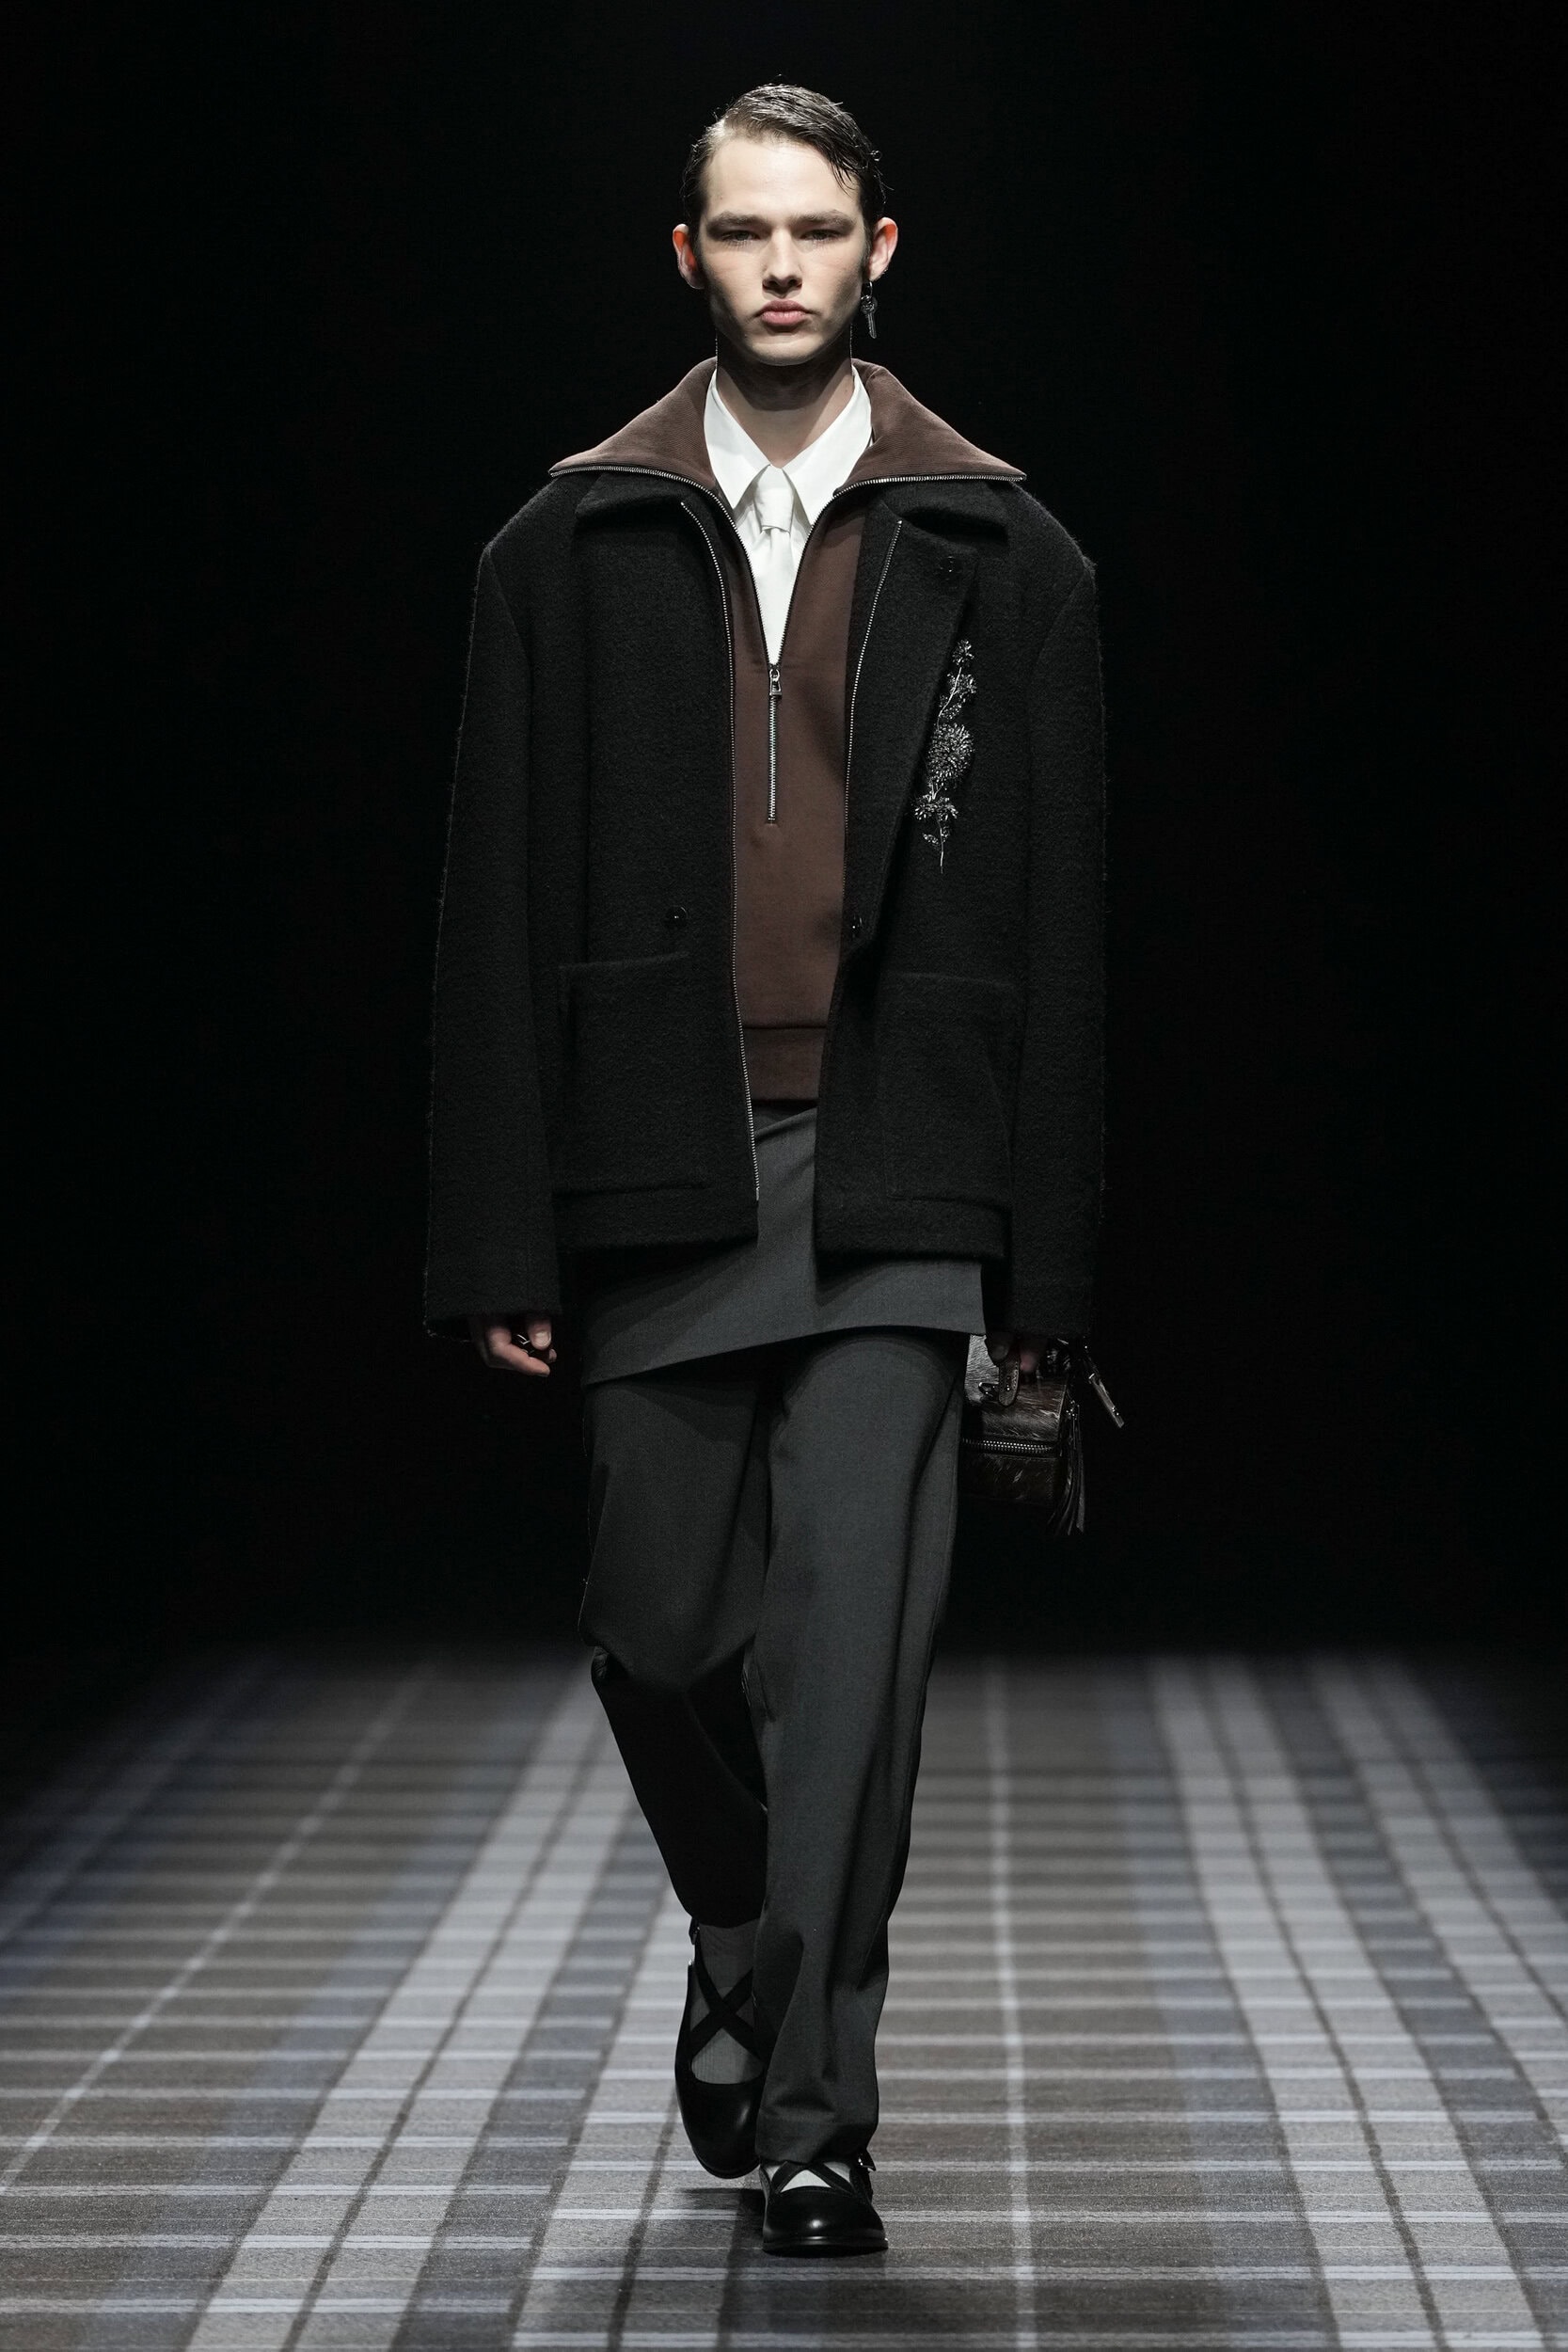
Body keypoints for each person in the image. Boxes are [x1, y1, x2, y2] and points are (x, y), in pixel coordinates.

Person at [426, 83, 1104, 2257]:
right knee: (655, 1631)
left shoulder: (1009, 552)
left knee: (851, 1680)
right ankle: (742, 1932)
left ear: (880, 249)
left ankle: (817, 2112)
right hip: (658, 1152)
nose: (784, 264)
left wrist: (1048, 1277)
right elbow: (491, 904)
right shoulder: (563, 549)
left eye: (819, 228)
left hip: (908, 1157)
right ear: (690, 257)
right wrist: (498, 1227)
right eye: (745, 231)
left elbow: (1068, 934)